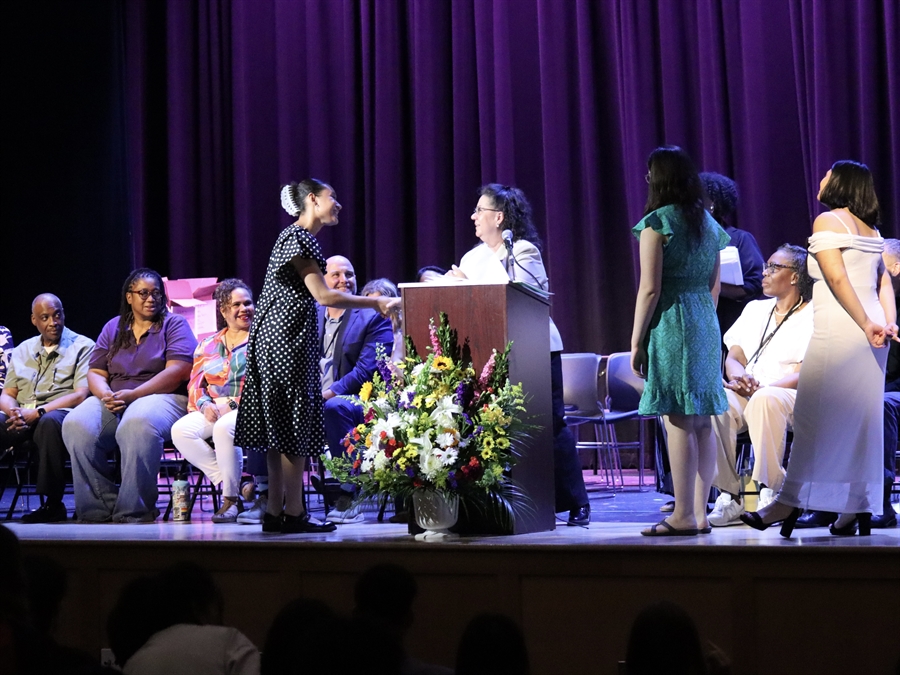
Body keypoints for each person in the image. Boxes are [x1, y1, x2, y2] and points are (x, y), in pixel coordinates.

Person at [233, 179, 399, 535]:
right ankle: (294, 513)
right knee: (292, 424)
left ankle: (276, 512)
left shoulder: (292, 237)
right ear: (312, 199)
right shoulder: (299, 237)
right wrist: (377, 302)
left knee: (280, 428)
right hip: (285, 341)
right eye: (332, 198)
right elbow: (324, 296)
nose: (337, 204)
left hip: (277, 339)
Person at [741, 160, 895, 537]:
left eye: (828, 174)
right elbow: (884, 286)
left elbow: (836, 276)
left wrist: (865, 324)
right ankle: (852, 508)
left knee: (811, 418)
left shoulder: (828, 221)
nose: (822, 178)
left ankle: (785, 503)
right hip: (873, 335)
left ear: (840, 184)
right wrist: (887, 324)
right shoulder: (871, 229)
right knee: (859, 423)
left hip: (844, 330)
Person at [448, 183, 591, 526]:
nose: (473, 217)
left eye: (479, 210)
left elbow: (527, 296)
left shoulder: (522, 251)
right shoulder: (472, 257)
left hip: (536, 348)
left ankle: (575, 501)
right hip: (490, 354)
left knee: (550, 426)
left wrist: (466, 285)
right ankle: (509, 502)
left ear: (498, 217)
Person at [631, 146, 730, 537]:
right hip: (704, 319)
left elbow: (650, 290)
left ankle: (683, 514)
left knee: (676, 419)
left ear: (659, 179)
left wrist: (637, 340)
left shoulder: (657, 223)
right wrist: (703, 318)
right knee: (702, 421)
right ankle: (699, 513)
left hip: (672, 320)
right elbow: (714, 286)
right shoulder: (708, 223)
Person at [63, 268, 197, 523]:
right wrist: (105, 394)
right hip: (116, 397)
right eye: (144, 293)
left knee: (136, 423)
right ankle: (98, 507)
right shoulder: (114, 327)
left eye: (157, 293)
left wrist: (134, 395)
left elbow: (179, 371)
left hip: (163, 397)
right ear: (129, 297)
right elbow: (95, 372)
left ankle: (133, 509)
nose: (151, 299)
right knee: (76, 424)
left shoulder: (174, 324)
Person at [707, 245, 814, 526]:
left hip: (790, 395)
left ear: (794, 277)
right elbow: (734, 356)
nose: (764, 273)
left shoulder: (814, 314)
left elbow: (807, 370)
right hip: (749, 391)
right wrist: (738, 378)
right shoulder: (755, 309)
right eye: (766, 266)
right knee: (716, 402)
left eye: (774, 267)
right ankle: (729, 495)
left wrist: (762, 389)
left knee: (766, 399)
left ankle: (770, 491)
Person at [0, 295, 94, 523]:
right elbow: (7, 393)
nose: (53, 321)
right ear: (34, 320)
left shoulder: (83, 346)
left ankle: (53, 504)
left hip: (59, 412)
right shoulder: (23, 350)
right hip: (22, 415)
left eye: (57, 315)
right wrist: (14, 412)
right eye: (45, 317)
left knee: (49, 423)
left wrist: (39, 411)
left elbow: (80, 394)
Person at [170, 279, 255, 523]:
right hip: (214, 407)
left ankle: (230, 500)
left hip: (250, 407)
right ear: (224, 310)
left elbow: (265, 387)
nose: (243, 309)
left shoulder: (262, 342)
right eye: (236, 304)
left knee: (224, 427)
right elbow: (195, 385)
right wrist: (205, 404)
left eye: (247, 303)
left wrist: (232, 404)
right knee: (181, 430)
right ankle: (239, 486)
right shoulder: (207, 345)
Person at [317, 256, 394, 524]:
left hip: (362, 400)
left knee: (334, 406)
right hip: (315, 398)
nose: (343, 280)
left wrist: (326, 394)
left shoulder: (373, 316)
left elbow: (366, 371)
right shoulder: (312, 313)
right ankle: (267, 495)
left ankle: (349, 494)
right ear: (321, 281)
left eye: (348, 274)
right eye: (335, 275)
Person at [700, 172, 764, 335]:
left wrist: (713, 286)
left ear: (711, 205)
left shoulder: (739, 239)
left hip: (730, 324)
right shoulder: (684, 241)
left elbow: (754, 284)